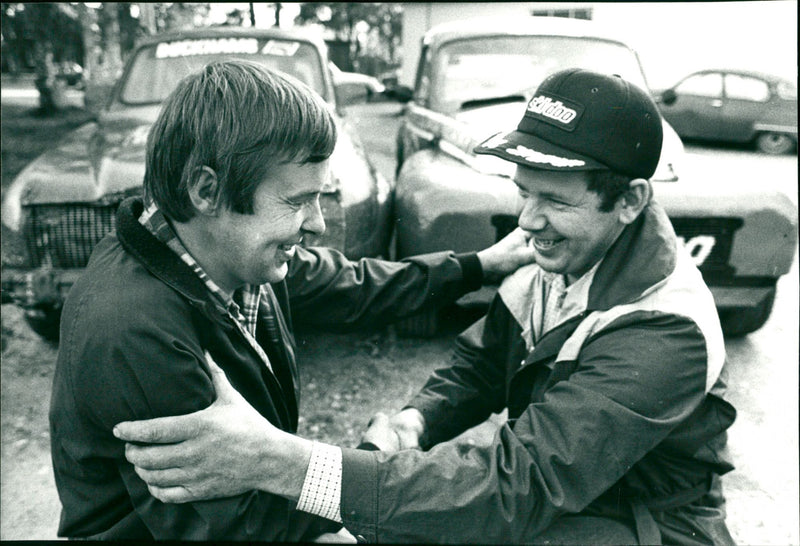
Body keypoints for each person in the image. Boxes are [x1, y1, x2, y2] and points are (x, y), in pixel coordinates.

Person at [114, 68, 738, 545]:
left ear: (629, 201)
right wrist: (419, 420)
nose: (529, 222)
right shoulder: (565, 253)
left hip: (643, 525)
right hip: (574, 499)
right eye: (522, 193)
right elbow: (481, 361)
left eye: (556, 201)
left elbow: (513, 486)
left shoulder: (664, 331)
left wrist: (287, 464)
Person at [48, 59, 538, 541]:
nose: (318, 224)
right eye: (298, 200)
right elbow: (236, 527)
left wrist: (482, 265)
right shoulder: (136, 331)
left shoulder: (231, 256)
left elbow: (356, 285)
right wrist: (370, 457)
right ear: (206, 189)